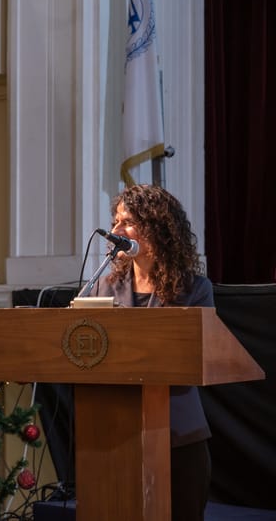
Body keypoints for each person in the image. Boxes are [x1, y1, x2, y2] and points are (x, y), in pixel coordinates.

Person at [89, 184, 212, 521]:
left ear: (157, 225)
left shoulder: (195, 289)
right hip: (116, 435)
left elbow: (193, 356)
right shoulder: (104, 286)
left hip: (177, 436)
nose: (115, 231)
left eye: (126, 221)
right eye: (114, 222)